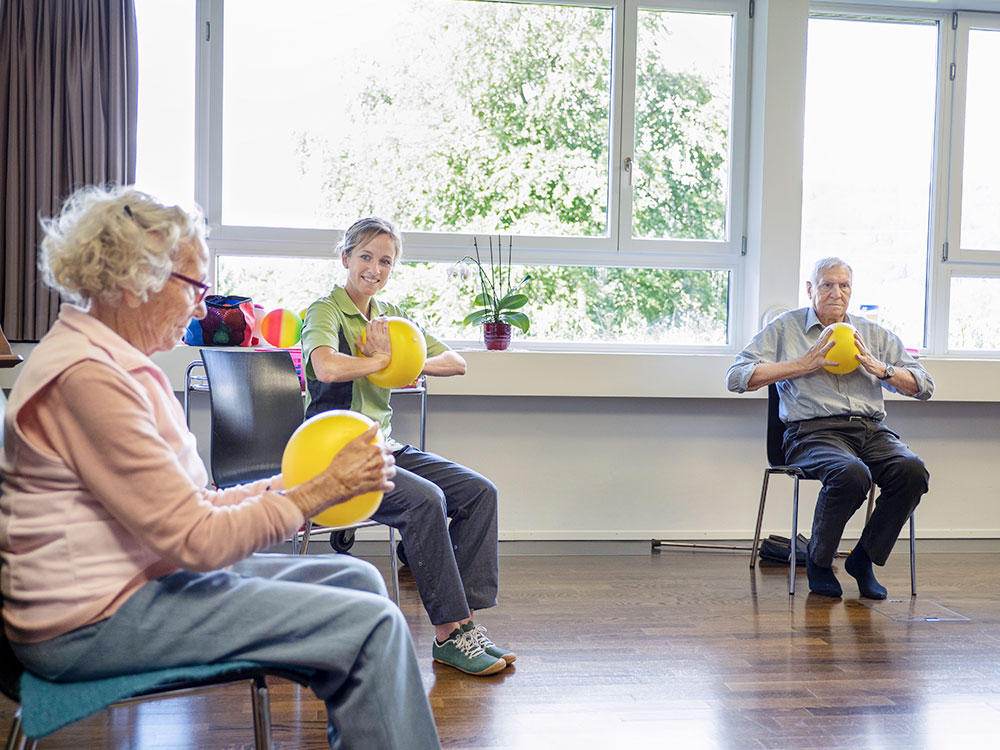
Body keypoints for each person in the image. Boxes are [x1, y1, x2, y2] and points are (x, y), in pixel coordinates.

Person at [0, 186, 441, 750]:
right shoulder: (89, 378)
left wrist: (304, 485)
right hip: (91, 622)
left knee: (359, 578)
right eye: (196, 287)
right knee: (371, 626)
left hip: (138, 582)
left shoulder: (114, 363)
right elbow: (199, 540)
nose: (204, 308)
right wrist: (319, 492)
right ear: (136, 282)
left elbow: (195, 506)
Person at [301, 217, 513, 677]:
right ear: (345, 258)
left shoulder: (390, 316)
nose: (374, 269)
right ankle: (446, 633)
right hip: (336, 454)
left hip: (385, 445)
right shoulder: (325, 311)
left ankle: (467, 627)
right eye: (365, 257)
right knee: (427, 500)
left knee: (480, 493)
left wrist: (405, 361)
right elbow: (325, 367)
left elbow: (455, 363)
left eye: (385, 261)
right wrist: (378, 360)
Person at [726, 257, 934, 599]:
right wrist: (799, 365)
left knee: (912, 471)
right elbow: (736, 377)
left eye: (844, 285)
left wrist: (882, 369)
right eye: (827, 284)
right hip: (812, 433)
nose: (836, 293)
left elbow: (925, 385)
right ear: (810, 289)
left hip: (871, 430)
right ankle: (820, 562)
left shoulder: (872, 334)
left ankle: (863, 558)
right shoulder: (784, 328)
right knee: (852, 474)